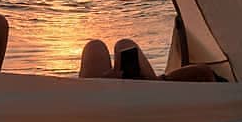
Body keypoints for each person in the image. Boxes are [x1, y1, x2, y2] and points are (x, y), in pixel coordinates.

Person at [79, 37, 217, 82]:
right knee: (124, 45)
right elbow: (204, 72)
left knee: (95, 46)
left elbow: (204, 72)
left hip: (103, 102)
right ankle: (152, 84)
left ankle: (98, 86)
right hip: (152, 91)